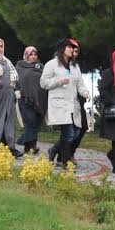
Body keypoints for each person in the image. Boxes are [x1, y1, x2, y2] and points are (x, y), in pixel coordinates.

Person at [41, 38, 91, 167]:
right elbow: (43, 83)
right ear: (62, 49)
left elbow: (80, 84)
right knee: (68, 133)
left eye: (72, 48)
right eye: (69, 47)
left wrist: (85, 92)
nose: (71, 50)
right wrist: (58, 81)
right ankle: (65, 161)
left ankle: (54, 150)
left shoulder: (75, 66)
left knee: (76, 133)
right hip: (59, 104)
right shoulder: (51, 64)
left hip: (73, 104)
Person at [16, 46, 49, 155]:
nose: (34, 57)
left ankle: (25, 143)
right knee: (30, 120)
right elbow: (15, 80)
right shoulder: (20, 66)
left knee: (35, 122)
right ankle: (31, 146)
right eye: (31, 54)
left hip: (39, 100)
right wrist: (17, 91)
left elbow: (45, 81)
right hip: (25, 99)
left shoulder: (40, 66)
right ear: (26, 55)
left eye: (35, 54)